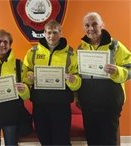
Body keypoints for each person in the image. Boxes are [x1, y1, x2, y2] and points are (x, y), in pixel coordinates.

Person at [22, 20, 81, 145]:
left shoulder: (70, 53)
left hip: (61, 105)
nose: (51, 36)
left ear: (60, 33)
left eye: (55, 32)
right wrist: (28, 76)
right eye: (49, 32)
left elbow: (78, 80)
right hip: (40, 104)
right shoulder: (33, 52)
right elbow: (24, 74)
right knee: (44, 139)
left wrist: (72, 80)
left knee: (62, 140)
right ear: (44, 33)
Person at [77, 12, 131, 145]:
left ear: (102, 25)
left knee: (108, 141)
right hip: (88, 105)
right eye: (87, 25)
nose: (91, 28)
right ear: (84, 28)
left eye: (95, 24)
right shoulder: (81, 48)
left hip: (109, 105)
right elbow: (77, 75)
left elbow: (130, 68)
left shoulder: (116, 46)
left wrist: (117, 70)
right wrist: (77, 98)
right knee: (93, 141)